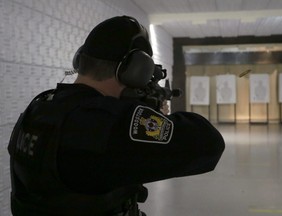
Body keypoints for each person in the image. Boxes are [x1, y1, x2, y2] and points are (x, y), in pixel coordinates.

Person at [8, 15, 225, 216]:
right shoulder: (108, 124)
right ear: (135, 69)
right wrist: (153, 116)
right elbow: (209, 144)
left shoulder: (38, 108)